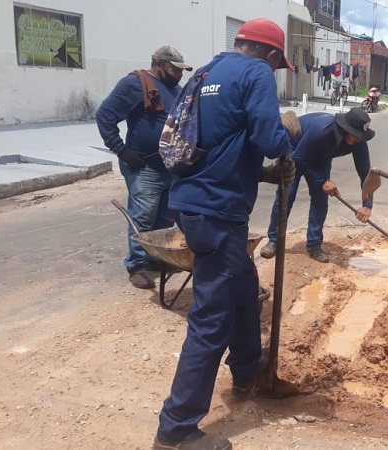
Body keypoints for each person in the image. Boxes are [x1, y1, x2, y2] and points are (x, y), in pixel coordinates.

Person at [153, 18, 296, 450]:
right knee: (211, 319)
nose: (275, 70)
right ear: (271, 54)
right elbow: (271, 139)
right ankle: (176, 429)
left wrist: (262, 173)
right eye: (278, 64)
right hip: (217, 213)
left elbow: (220, 140)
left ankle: (248, 371)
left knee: (245, 289)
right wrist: (288, 136)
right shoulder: (256, 72)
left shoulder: (205, 72)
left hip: (192, 203)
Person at [97, 45, 193, 289]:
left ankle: (155, 257)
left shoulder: (175, 90)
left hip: (169, 166)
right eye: (174, 69)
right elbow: (104, 115)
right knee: (143, 217)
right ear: (158, 65)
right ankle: (137, 265)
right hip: (145, 166)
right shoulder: (135, 84)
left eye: (181, 71)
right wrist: (121, 150)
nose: (179, 74)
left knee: (165, 217)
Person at [260, 108, 376, 263]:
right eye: (356, 135)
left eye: (362, 136)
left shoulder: (358, 141)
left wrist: (367, 204)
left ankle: (314, 244)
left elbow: (365, 173)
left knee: (320, 199)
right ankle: (274, 240)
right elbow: (299, 158)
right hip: (296, 149)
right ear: (346, 129)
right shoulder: (322, 131)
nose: (359, 140)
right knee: (286, 196)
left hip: (321, 157)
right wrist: (323, 180)